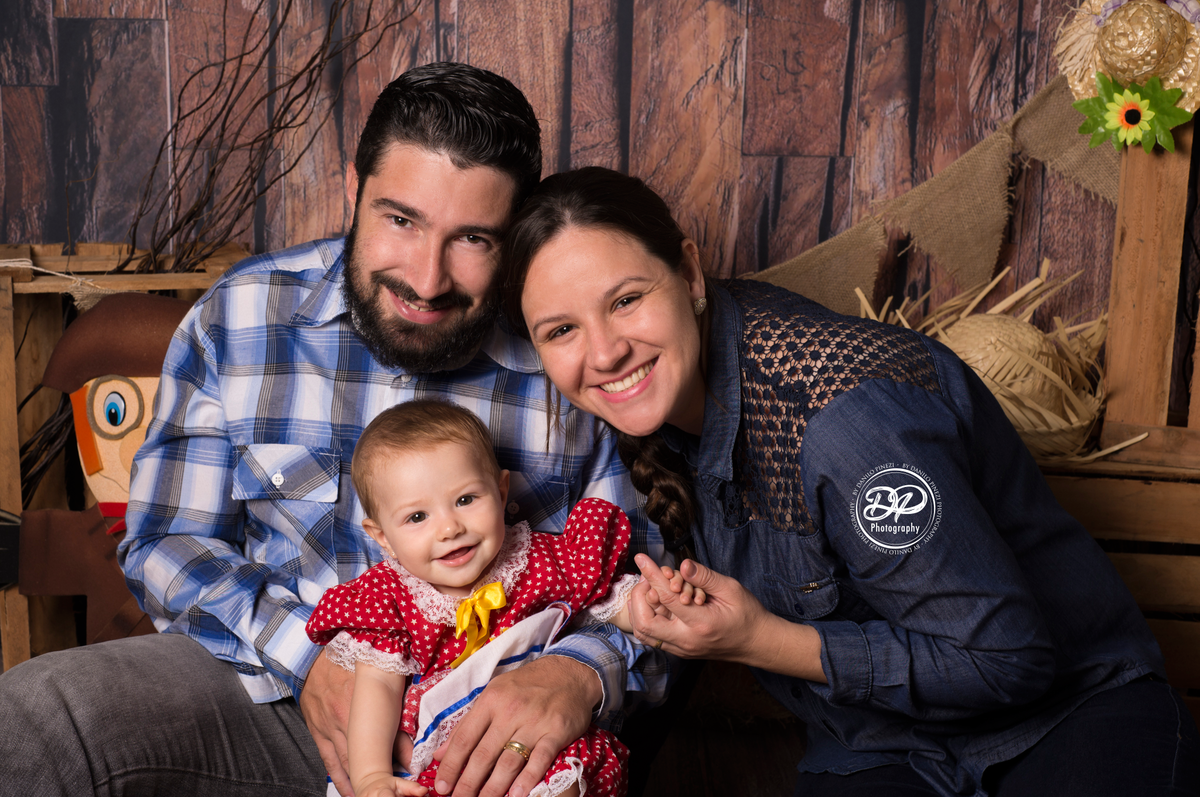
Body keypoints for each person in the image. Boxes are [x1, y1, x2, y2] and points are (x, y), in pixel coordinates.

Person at [0, 66, 669, 797]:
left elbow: (645, 577)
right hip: (271, 698)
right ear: (354, 189)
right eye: (401, 220)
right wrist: (308, 655)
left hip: (490, 723)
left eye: (473, 238)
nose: (427, 279)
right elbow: (166, 540)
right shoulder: (244, 314)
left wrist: (579, 673)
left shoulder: (565, 347)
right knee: (37, 714)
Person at [501, 166, 1200, 797]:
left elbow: (1006, 661)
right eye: (561, 330)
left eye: (626, 300)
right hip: (877, 746)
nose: (604, 352)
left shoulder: (847, 424)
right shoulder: (640, 412)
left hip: (1062, 717)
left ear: (688, 271)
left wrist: (758, 639)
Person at [307, 400, 697, 797]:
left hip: (531, 735)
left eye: (465, 499)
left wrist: (648, 603)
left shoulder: (537, 559)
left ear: (500, 490)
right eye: (417, 517)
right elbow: (377, 691)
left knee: (563, 777)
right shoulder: (387, 598)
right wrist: (372, 777)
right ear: (383, 538)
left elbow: (605, 599)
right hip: (436, 754)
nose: (449, 528)